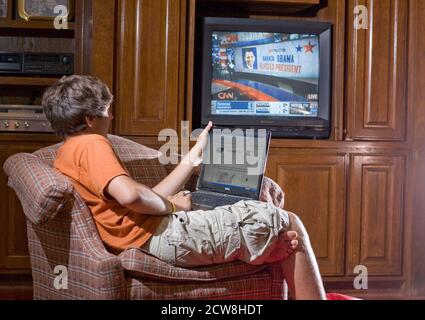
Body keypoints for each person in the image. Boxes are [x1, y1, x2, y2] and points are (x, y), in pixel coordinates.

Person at [43, 75, 326, 300]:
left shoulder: (66, 153)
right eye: (106, 112)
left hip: (152, 234)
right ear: (90, 120)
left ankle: (266, 248)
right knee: (288, 221)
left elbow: (141, 197)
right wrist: (175, 205)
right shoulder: (92, 144)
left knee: (275, 230)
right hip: (164, 235)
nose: (111, 118)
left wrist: (192, 159)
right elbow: (131, 195)